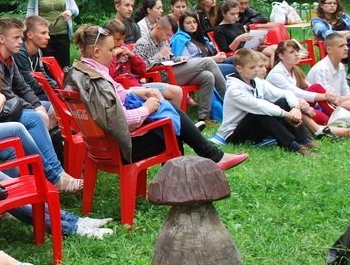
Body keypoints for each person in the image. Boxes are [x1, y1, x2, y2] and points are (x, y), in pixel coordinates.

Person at [66, 25, 246, 169]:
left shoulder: (81, 72)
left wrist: (135, 92)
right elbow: (121, 119)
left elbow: (111, 102)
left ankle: (209, 159)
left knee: (170, 120)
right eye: (111, 49)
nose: (114, 53)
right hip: (120, 149)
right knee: (171, 130)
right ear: (96, 52)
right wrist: (146, 109)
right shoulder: (97, 82)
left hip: (102, 146)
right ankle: (200, 168)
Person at [0, 21, 83, 193]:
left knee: (46, 110)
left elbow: (22, 86)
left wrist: (36, 105)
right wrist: (2, 102)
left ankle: (53, 175)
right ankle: (55, 175)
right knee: (33, 120)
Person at [267, 40, 350, 139]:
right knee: (331, 114)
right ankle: (349, 126)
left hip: (305, 104)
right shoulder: (277, 74)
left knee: (318, 90)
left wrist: (329, 95)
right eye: (292, 52)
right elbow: (296, 93)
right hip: (288, 109)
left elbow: (311, 88)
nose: (297, 54)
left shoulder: (294, 69)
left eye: (297, 51)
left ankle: (347, 123)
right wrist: (327, 96)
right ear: (281, 56)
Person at [217, 49, 317, 155]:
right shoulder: (234, 90)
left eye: (257, 66)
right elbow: (259, 106)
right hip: (234, 134)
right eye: (252, 67)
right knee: (261, 113)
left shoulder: (257, 81)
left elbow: (285, 93)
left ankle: (305, 140)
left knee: (283, 102)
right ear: (239, 68)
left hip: (255, 128)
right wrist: (287, 115)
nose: (256, 70)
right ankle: (293, 146)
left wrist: (295, 108)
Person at [133, 15, 227, 123]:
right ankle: (229, 99)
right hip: (159, 78)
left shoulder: (163, 40)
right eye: (167, 35)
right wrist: (159, 55)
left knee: (207, 76)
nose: (168, 38)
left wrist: (179, 59)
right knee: (208, 62)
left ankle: (204, 116)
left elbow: (170, 57)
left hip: (172, 71)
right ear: (158, 28)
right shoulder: (142, 43)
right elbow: (139, 68)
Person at [102, 19, 185, 106]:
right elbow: (109, 75)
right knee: (164, 95)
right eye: (118, 39)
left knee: (177, 91)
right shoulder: (104, 55)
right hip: (125, 90)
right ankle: (168, 112)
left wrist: (132, 56)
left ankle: (171, 114)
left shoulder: (125, 49)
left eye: (123, 39)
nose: (121, 42)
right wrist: (113, 56)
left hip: (137, 85)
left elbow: (142, 69)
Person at [0, 17, 52, 129]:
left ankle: (47, 135)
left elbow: (23, 86)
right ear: (1, 39)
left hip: (16, 103)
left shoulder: (10, 58)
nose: (21, 41)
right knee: (37, 118)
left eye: (21, 37)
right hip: (4, 110)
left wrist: (37, 105)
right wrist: (34, 108)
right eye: (16, 38)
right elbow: (7, 93)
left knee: (53, 108)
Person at [26, 0, 79, 67]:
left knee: (63, 67)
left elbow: (75, 9)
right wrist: (28, 28)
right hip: (43, 36)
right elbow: (30, 13)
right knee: (46, 66)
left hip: (62, 35)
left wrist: (69, 11)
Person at [311, 0, 350, 85]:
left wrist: (344, 35)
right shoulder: (317, 21)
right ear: (322, 5)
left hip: (349, 47)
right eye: (329, 3)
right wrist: (345, 33)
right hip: (331, 49)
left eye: (335, 3)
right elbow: (327, 34)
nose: (332, 5)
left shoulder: (343, 16)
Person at [214, 0, 276, 66]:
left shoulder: (238, 25)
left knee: (275, 49)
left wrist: (259, 41)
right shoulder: (219, 29)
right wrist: (238, 40)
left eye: (237, 13)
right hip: (237, 56)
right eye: (232, 14)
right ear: (223, 14)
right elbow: (225, 51)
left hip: (248, 52)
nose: (235, 17)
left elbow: (247, 45)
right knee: (269, 59)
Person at [170, 12, 234, 76]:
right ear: (182, 25)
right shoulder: (179, 39)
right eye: (188, 23)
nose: (192, 25)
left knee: (236, 59)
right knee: (236, 68)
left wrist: (219, 56)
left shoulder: (200, 37)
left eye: (194, 22)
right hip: (198, 69)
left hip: (211, 62)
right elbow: (187, 62)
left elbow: (210, 53)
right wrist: (213, 58)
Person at [14, 15, 53, 103]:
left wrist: (59, 86)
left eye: (48, 33)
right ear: (30, 35)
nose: (48, 37)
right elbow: (30, 84)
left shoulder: (38, 51)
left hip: (35, 93)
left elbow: (42, 76)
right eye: (43, 33)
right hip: (22, 97)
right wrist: (54, 90)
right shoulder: (19, 53)